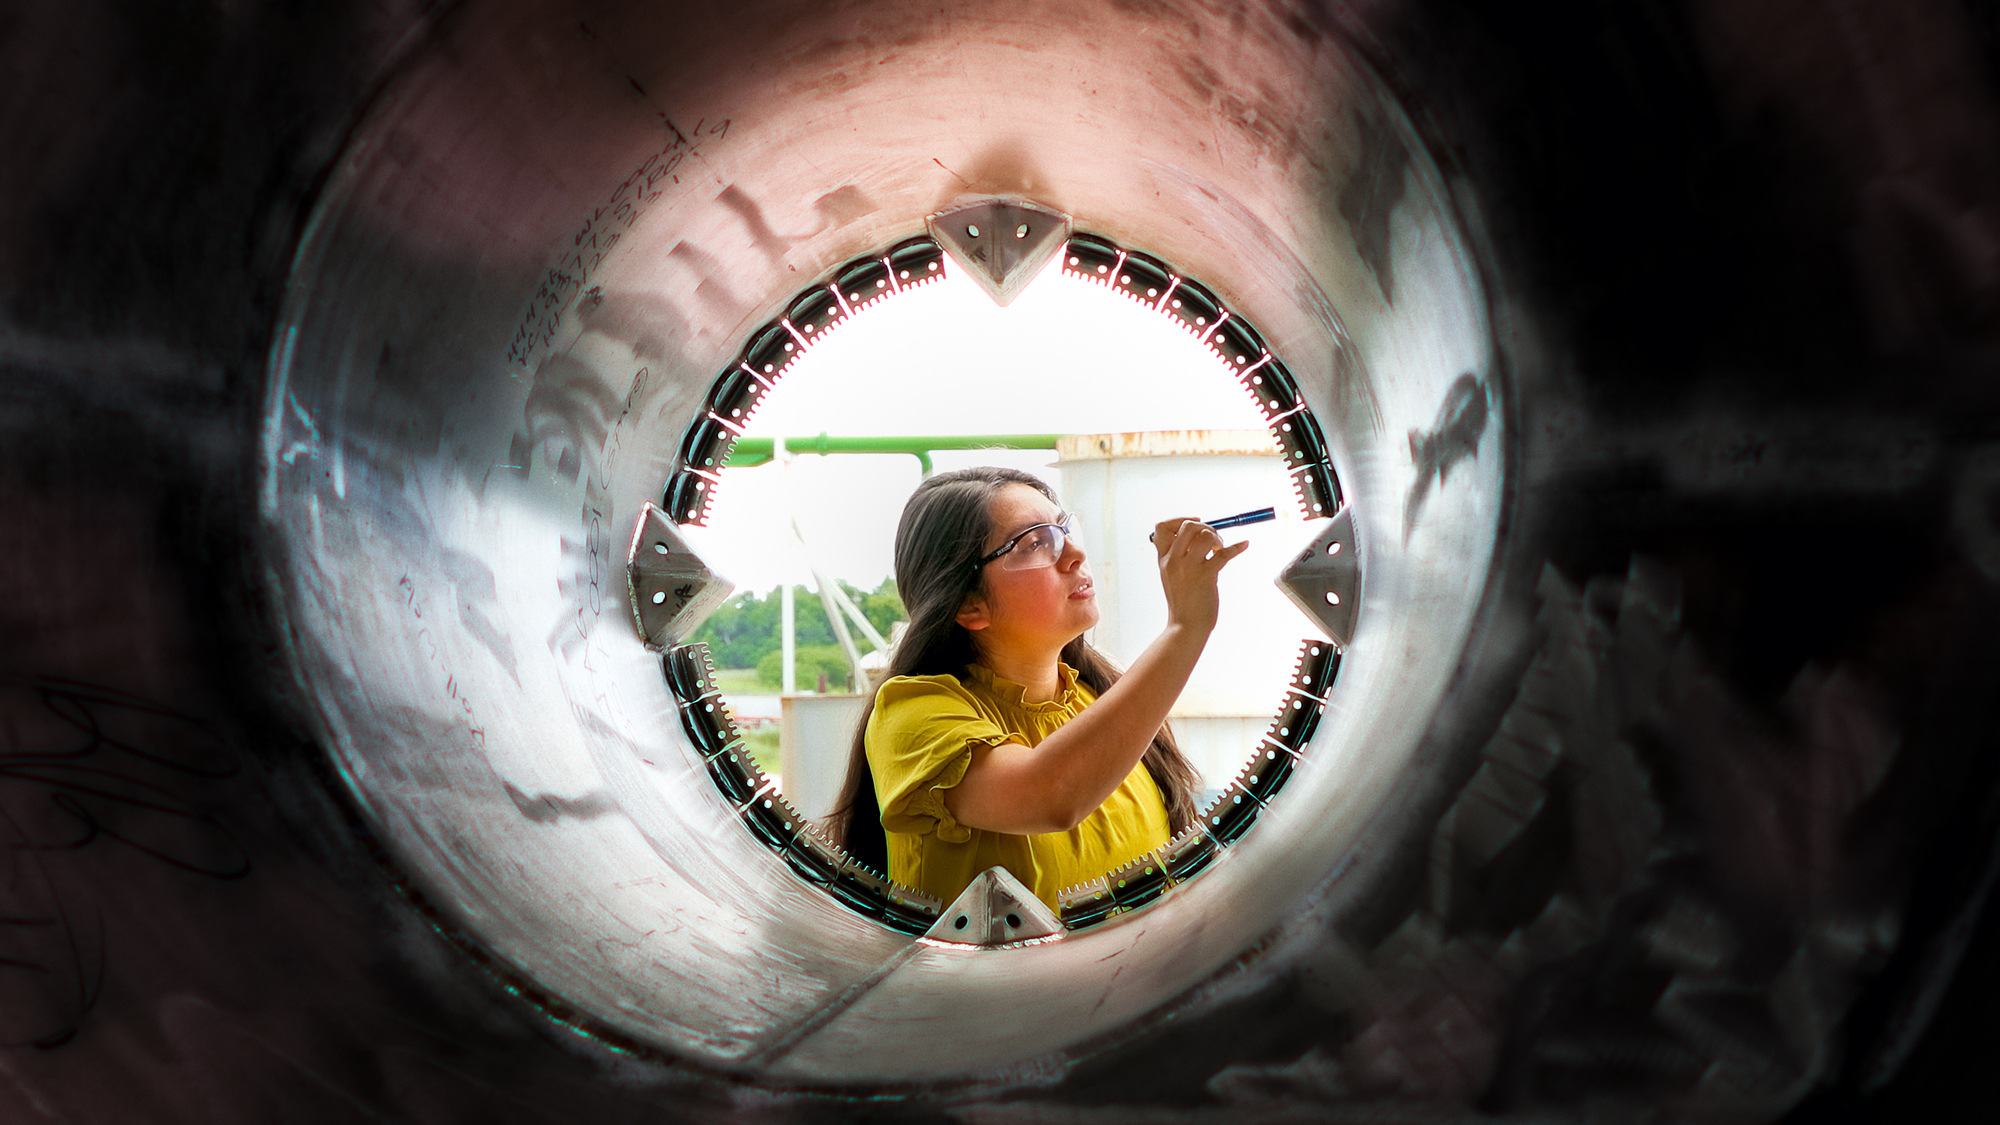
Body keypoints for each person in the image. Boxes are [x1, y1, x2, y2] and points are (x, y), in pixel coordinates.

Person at [828, 466, 1248, 910]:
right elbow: (1051, 795)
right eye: (1035, 542)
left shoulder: (1103, 697)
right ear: (970, 605)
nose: (1074, 554)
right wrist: (1185, 628)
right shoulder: (909, 715)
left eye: (1066, 529)